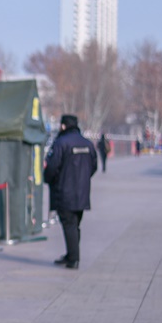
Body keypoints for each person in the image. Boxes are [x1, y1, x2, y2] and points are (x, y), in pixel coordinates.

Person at [43, 115, 98, 270]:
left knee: (69, 224)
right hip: (82, 192)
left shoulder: (61, 143)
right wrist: (83, 179)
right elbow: (94, 166)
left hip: (64, 191)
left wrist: (49, 179)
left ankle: (73, 258)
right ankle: (71, 254)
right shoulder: (87, 144)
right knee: (75, 224)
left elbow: (52, 167)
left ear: (63, 126)